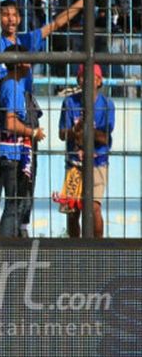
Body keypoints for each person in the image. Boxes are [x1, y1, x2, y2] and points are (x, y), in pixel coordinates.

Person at [0, 0, 98, 237]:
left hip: (26, 105)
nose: (10, 18)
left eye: (13, 14)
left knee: (27, 166)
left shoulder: (26, 40)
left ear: (19, 18)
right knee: (4, 165)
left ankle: (22, 223)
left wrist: (85, 0)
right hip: (5, 101)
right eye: (5, 14)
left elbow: (56, 23)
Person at [0, 45, 45, 238]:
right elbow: (10, 121)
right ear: (20, 63)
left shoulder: (5, 84)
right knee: (14, 204)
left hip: (6, 151)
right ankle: (8, 248)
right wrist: (33, 132)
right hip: (13, 152)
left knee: (14, 202)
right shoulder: (13, 87)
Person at [59, 64, 114, 238]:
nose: (87, 80)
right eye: (83, 76)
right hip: (75, 164)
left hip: (98, 162)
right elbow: (62, 133)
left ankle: (98, 248)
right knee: (72, 211)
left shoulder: (107, 104)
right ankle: (76, 248)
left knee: (94, 207)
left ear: (99, 81)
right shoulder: (69, 102)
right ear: (78, 80)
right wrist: (75, 131)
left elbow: (105, 136)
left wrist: (84, 133)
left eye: (92, 77)